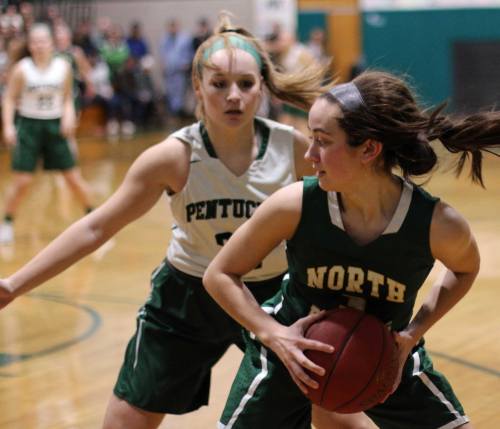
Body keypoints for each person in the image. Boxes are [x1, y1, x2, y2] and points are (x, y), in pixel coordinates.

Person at [0, 15, 370, 429]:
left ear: (262, 88)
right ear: (197, 86)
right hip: (187, 296)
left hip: (272, 295)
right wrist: (14, 284)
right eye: (219, 84)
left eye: (246, 84)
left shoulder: (294, 150)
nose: (234, 96)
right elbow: (96, 227)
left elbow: (349, 215)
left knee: (337, 410)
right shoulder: (173, 157)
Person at [204, 70, 500, 428]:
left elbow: (465, 268)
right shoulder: (295, 205)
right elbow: (219, 274)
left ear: (369, 149)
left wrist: (412, 334)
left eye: (322, 141)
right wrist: (273, 334)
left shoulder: (435, 224)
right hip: (292, 347)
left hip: (386, 354)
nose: (310, 154)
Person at [0, 23, 93, 244]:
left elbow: (68, 97)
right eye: (35, 42)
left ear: (51, 43)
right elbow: (10, 99)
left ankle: (94, 218)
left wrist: (68, 115)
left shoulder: (63, 67)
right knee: (22, 181)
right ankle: (7, 223)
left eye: (43, 41)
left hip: (55, 125)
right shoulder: (22, 69)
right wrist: (8, 126)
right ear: (30, 45)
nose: (39, 45)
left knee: (73, 178)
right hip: (29, 126)